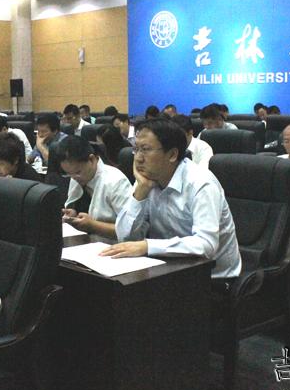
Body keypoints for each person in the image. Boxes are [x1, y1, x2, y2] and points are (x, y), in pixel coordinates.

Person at [101, 119, 242, 279]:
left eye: (145, 150)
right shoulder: (146, 180)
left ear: (172, 155)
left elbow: (206, 245)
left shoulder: (200, 183)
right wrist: (140, 192)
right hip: (167, 270)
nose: (138, 158)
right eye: (136, 149)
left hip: (212, 279)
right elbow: (124, 237)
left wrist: (147, 246)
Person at [57, 136, 131, 238]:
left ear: (91, 159)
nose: (73, 178)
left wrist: (93, 226)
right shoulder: (76, 175)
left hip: (112, 244)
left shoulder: (115, 181)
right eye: (69, 174)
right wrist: (74, 215)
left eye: (77, 172)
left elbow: (131, 231)